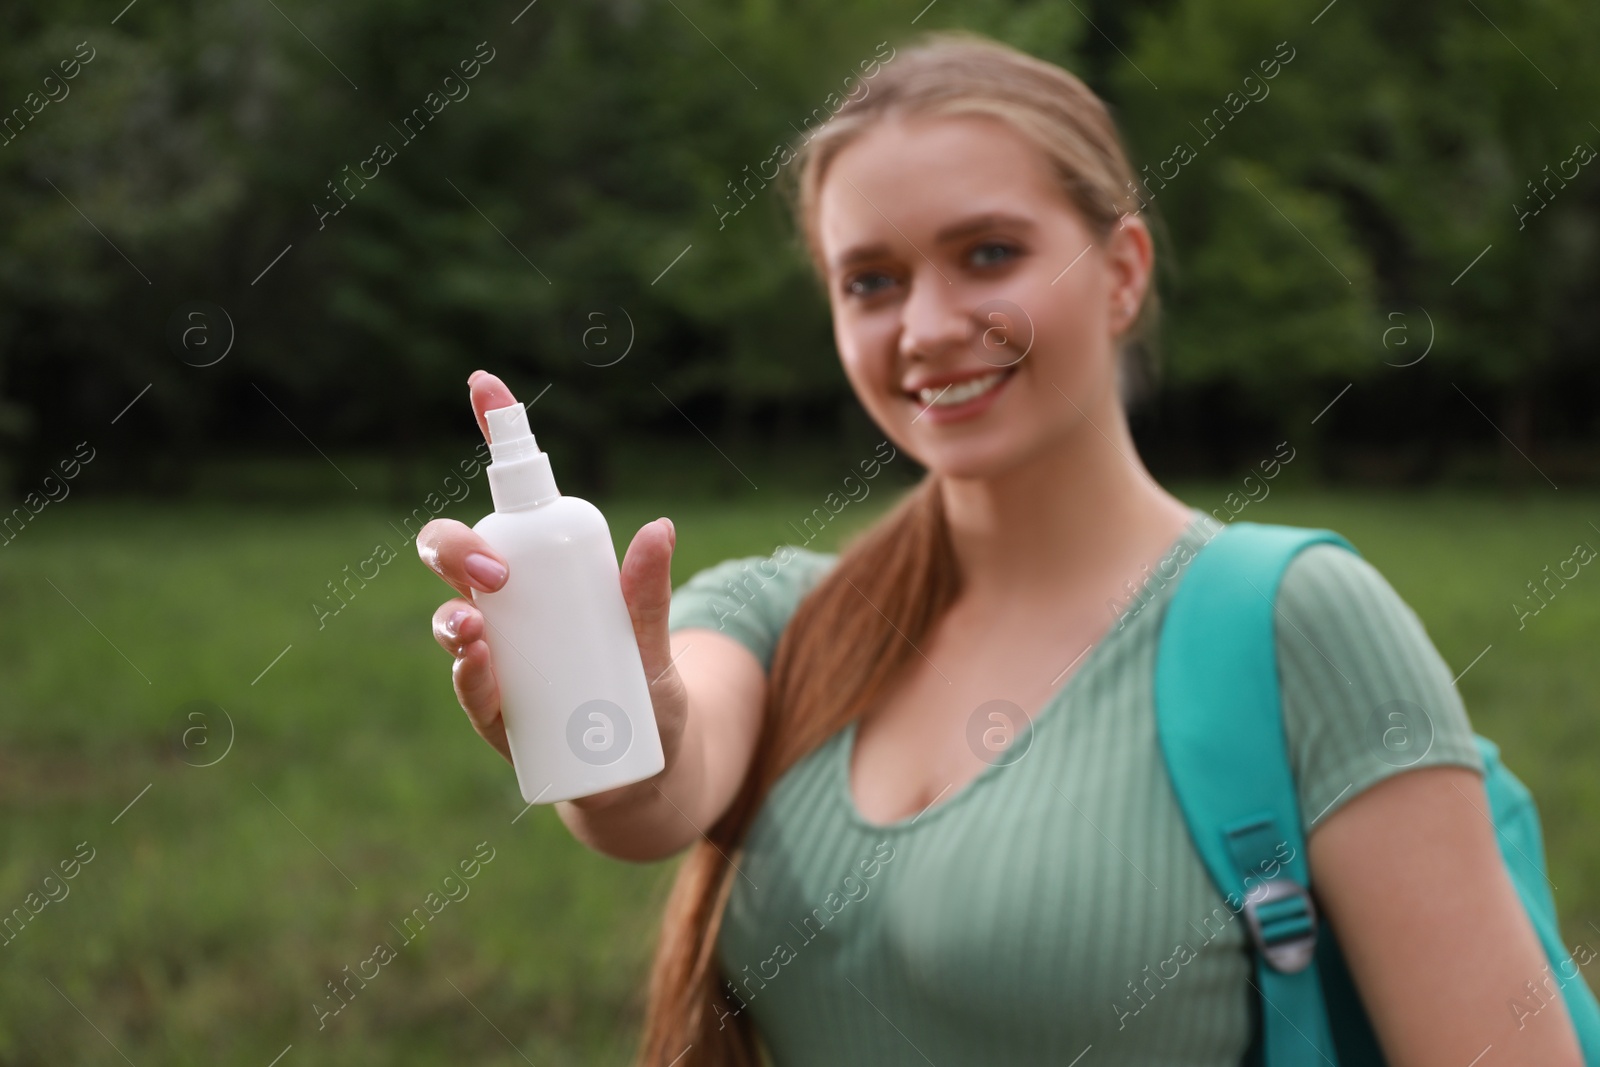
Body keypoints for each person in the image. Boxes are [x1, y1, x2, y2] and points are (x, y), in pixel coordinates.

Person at [417, 30, 1584, 1067]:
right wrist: (606, 714)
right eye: (869, 279)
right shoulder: (786, 614)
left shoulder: (1296, 624)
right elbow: (652, 796)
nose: (924, 328)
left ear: (1121, 270)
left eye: (986, 254)